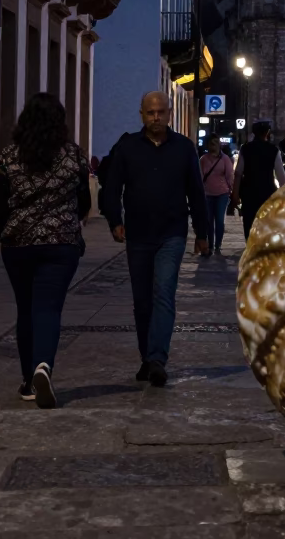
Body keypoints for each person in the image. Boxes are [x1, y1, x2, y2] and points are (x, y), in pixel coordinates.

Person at [0, 93, 91, 409]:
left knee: (25, 309)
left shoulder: (10, 157)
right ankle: (45, 365)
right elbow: (85, 202)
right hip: (61, 244)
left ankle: (28, 381)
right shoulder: (74, 156)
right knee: (49, 308)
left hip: (18, 245)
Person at [103, 91, 209, 386]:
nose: (156, 118)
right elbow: (111, 188)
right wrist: (115, 220)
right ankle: (146, 358)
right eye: (150, 113)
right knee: (142, 301)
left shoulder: (184, 148)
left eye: (161, 112)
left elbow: (196, 192)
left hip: (172, 232)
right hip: (138, 233)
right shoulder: (128, 148)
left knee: (163, 292)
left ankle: (158, 359)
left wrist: (202, 233)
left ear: (170, 113)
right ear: (141, 114)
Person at [232, 120, 285, 241]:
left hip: (248, 192)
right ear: (267, 132)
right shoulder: (273, 150)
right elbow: (281, 176)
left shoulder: (245, 149)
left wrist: (235, 194)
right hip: (268, 192)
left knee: (249, 223)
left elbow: (238, 173)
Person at [200, 135, 234, 253]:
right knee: (209, 220)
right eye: (211, 143)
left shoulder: (225, 159)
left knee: (219, 220)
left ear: (219, 144)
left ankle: (218, 245)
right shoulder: (203, 159)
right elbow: (200, 177)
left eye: (215, 142)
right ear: (208, 144)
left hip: (222, 193)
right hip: (207, 193)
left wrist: (232, 191)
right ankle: (210, 245)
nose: (213, 145)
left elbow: (229, 176)